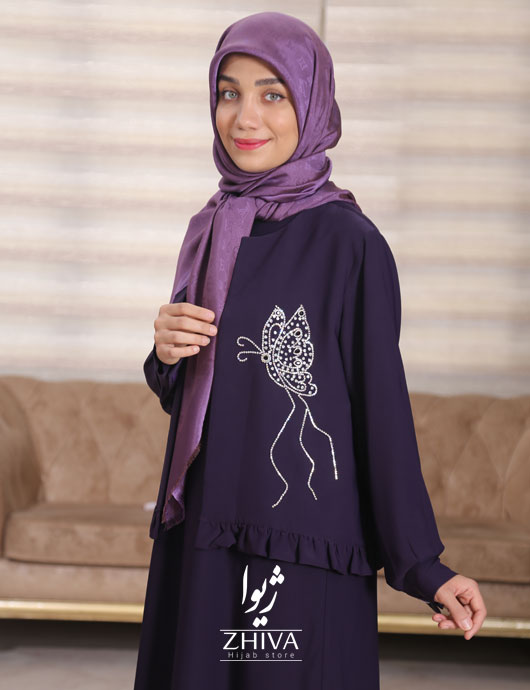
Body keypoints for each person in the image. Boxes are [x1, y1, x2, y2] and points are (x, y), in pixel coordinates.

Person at [133, 11, 486, 690]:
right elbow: (199, 396)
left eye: (273, 94)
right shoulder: (212, 228)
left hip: (299, 542)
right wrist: (166, 353)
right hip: (203, 536)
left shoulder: (349, 244)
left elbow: (381, 413)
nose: (245, 117)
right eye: (229, 92)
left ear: (313, 102)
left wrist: (423, 565)